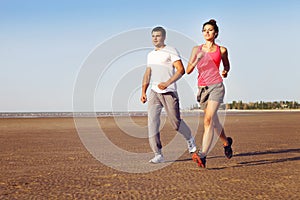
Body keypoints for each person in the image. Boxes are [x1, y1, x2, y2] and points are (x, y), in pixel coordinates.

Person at [141, 26, 197, 164]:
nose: (155, 38)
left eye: (158, 35)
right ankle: (158, 154)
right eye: (153, 36)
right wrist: (143, 91)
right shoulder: (150, 55)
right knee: (152, 123)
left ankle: (190, 139)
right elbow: (148, 73)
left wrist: (167, 83)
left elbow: (181, 70)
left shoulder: (171, 50)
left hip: (169, 91)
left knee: (176, 123)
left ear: (164, 37)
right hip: (154, 92)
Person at [186, 19, 233, 168]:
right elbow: (188, 70)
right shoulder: (196, 49)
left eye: (210, 30)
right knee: (214, 122)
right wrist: (197, 60)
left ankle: (203, 154)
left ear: (215, 33)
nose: (206, 32)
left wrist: (225, 71)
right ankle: (226, 142)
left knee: (208, 120)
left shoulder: (222, 50)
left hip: (216, 87)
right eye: (204, 30)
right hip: (202, 89)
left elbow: (226, 65)